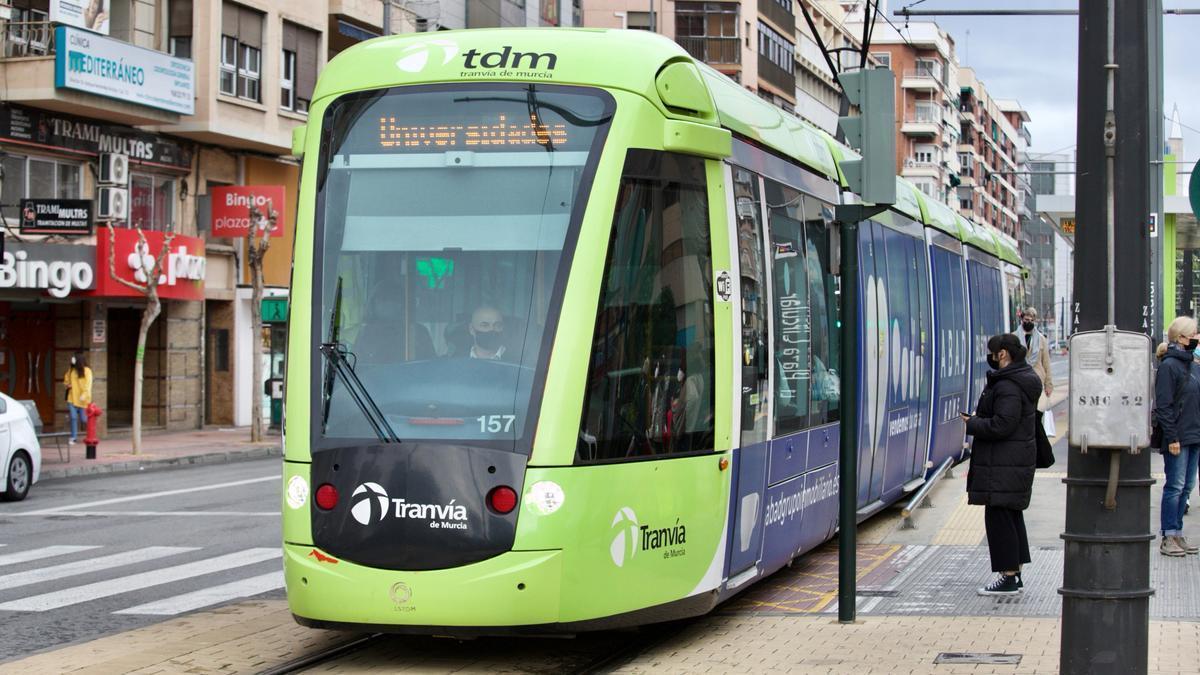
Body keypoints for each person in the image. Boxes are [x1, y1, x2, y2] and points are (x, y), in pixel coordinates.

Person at [961, 333, 1041, 595]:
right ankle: (1014, 573)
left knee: (1000, 519)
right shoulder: (1019, 380)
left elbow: (1003, 424)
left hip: (1004, 463)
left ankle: (1007, 577)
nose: (991, 357)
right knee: (1010, 516)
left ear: (1003, 354)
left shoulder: (1008, 385)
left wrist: (972, 423)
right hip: (1011, 462)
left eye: (993, 352)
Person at [1153, 316, 1200, 557]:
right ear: (1180, 337)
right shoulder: (1169, 366)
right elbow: (1164, 406)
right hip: (1178, 438)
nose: (1197, 337)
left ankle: (1178, 533)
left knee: (1187, 486)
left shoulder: (1194, 364)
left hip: (1194, 435)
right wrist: (1172, 438)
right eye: (1194, 333)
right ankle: (1168, 535)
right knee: (1175, 485)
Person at [1016, 307, 1054, 405]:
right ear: (1022, 320)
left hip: (1036, 380)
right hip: (1018, 380)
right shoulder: (1014, 337)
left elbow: (1046, 363)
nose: (1029, 322)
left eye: (1032, 320)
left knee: (1032, 408)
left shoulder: (1041, 339)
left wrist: (1048, 384)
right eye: (1027, 320)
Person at [63, 351, 93, 445]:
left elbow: (88, 385)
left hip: (83, 400)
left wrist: (84, 395)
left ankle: (91, 434)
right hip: (72, 398)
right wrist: (67, 384)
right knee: (73, 417)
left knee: (84, 419)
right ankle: (73, 437)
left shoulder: (87, 371)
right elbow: (66, 379)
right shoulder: (72, 370)